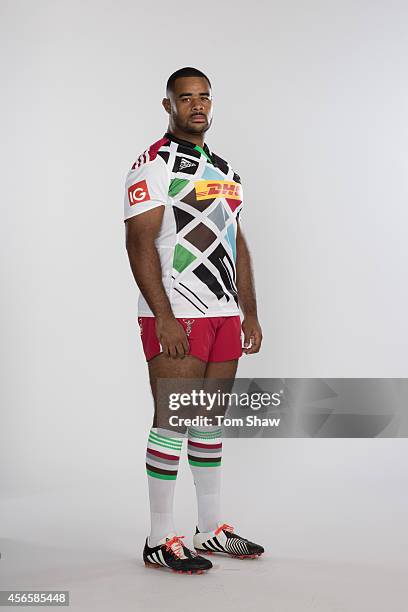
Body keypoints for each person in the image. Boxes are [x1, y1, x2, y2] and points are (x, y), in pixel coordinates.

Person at [124, 67, 264, 574]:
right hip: (177, 314)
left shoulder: (226, 170)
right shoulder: (153, 166)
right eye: (185, 98)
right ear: (169, 106)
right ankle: (159, 538)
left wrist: (249, 312)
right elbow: (138, 244)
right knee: (171, 422)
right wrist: (162, 315)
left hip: (225, 313)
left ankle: (210, 528)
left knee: (206, 421)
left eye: (203, 97)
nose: (196, 105)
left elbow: (237, 244)